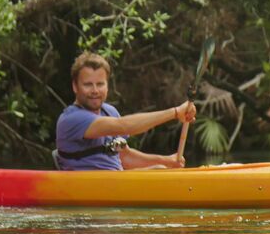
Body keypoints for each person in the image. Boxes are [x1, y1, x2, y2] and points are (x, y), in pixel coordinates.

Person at [55, 52, 196, 170]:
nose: (95, 91)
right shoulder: (71, 119)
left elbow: (125, 157)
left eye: (100, 84)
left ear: (107, 86)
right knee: (159, 170)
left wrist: (167, 161)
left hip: (115, 182)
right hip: (90, 188)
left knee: (161, 168)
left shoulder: (110, 111)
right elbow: (123, 126)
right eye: (88, 85)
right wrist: (176, 112)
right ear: (75, 86)